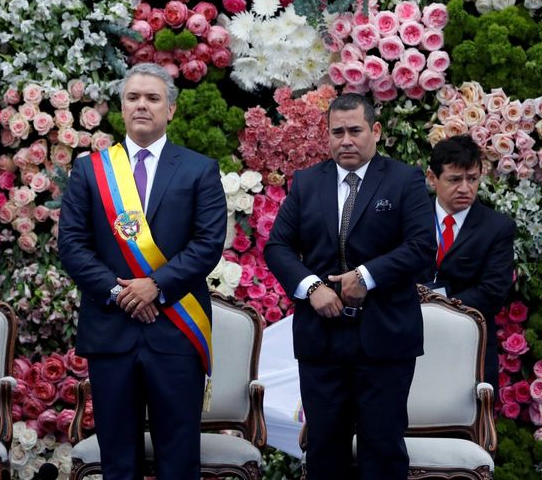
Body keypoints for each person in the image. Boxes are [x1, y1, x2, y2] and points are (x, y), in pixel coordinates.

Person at [58, 63, 227, 480]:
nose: (142, 105)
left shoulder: (199, 169)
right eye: (133, 97)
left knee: (179, 459)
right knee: (118, 461)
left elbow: (208, 243)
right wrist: (120, 293)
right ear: (121, 107)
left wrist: (156, 286)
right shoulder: (90, 170)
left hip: (176, 331)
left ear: (171, 109)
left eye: (153, 98)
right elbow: (73, 246)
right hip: (111, 332)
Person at [264, 93, 436, 480]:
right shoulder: (307, 182)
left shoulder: (404, 180)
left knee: (383, 448)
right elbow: (277, 247)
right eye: (337, 132)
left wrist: (367, 277)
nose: (346, 141)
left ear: (375, 131)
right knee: (324, 449)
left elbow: (423, 246)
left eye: (355, 131)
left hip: (385, 336)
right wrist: (312, 288)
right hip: (321, 338)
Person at [423, 134, 516, 389]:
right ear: (432, 178)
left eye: (472, 179)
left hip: (468, 345)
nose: (465, 188)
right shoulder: (410, 219)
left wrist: (435, 307)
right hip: (410, 341)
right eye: (455, 179)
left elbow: (493, 291)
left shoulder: (497, 227)